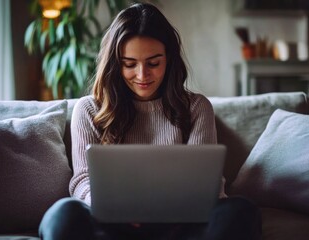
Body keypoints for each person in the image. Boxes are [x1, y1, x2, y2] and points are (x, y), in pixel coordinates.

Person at [39, 3, 261, 240]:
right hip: (114, 225)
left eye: (153, 63)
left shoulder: (196, 107)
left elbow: (207, 185)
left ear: (169, 60)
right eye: (130, 64)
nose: (142, 75)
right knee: (62, 213)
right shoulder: (89, 109)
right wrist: (119, 209)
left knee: (240, 211)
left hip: (181, 226)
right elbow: (82, 181)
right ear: (115, 63)